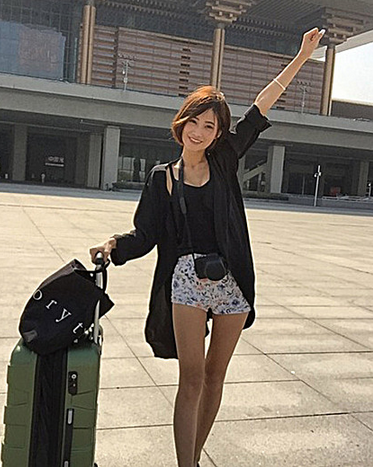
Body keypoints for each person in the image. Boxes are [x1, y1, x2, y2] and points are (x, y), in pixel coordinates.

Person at [90, 27, 325, 467]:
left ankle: (194, 458)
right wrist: (113, 245)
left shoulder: (225, 160)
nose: (198, 132)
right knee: (192, 379)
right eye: (194, 122)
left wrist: (301, 57)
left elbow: (261, 106)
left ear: (218, 134)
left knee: (216, 377)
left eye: (209, 126)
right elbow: (145, 235)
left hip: (231, 280)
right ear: (182, 123)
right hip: (186, 282)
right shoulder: (162, 177)